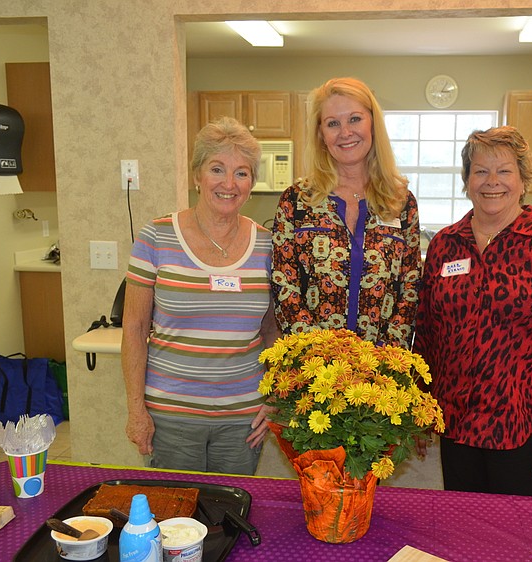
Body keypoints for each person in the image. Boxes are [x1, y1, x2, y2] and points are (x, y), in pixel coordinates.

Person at [413, 126, 532, 497]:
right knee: (461, 535)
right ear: (466, 181)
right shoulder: (445, 245)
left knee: (519, 543)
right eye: (480, 171)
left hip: (522, 431)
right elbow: (427, 336)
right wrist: (420, 408)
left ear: (523, 180)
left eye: (504, 171)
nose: (491, 182)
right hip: (457, 427)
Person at [121, 116, 280, 475]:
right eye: (217, 169)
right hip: (170, 417)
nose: (229, 183)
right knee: (175, 519)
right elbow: (133, 327)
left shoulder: (268, 245)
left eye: (241, 173)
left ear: (252, 183)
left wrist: (274, 398)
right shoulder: (156, 237)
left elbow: (272, 333)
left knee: (229, 517)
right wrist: (136, 410)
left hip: (242, 420)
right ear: (197, 176)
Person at [271, 77, 421, 348]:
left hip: (381, 373)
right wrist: (319, 357)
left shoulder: (401, 202)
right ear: (321, 134)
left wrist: (383, 361)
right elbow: (285, 286)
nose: (345, 132)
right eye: (333, 123)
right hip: (313, 372)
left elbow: (409, 290)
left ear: (372, 123)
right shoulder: (297, 201)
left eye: (354, 119)